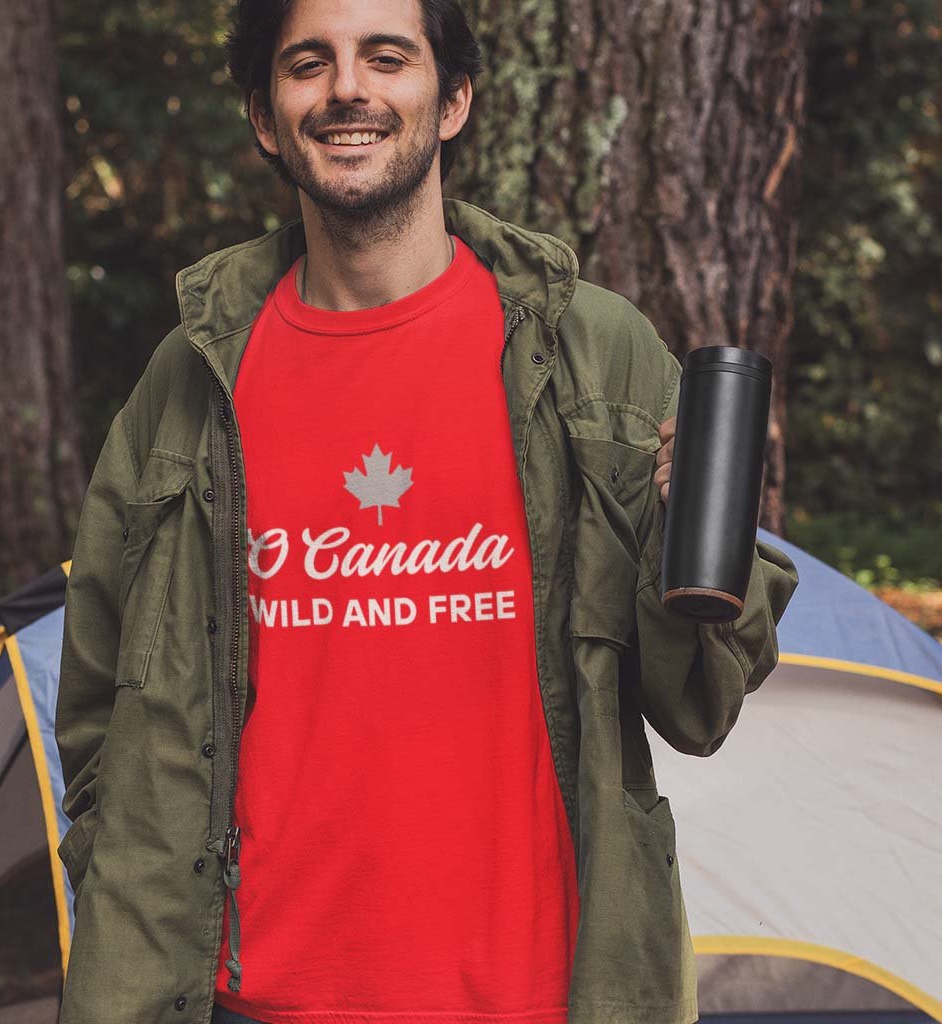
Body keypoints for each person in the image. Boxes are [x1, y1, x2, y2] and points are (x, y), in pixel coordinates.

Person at [55, 1, 800, 1023]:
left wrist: (695, 547)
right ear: (266, 117)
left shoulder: (595, 355)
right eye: (307, 63)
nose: (347, 89)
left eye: (386, 57)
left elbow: (700, 704)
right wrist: (115, 875)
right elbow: (99, 691)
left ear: (451, 101)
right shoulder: (191, 376)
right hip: (246, 999)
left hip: (538, 999)